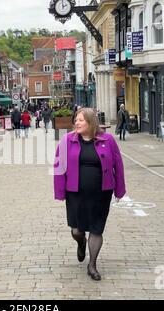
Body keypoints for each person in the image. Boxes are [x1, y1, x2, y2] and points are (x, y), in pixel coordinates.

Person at [54, 108, 126, 281]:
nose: (76, 123)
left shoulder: (107, 140)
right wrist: (59, 191)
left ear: (91, 122)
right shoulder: (67, 140)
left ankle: (92, 265)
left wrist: (120, 190)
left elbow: (118, 163)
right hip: (75, 193)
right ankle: (81, 243)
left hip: (101, 193)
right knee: (77, 230)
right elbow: (58, 166)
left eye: (81, 120)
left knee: (96, 228)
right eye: (76, 120)